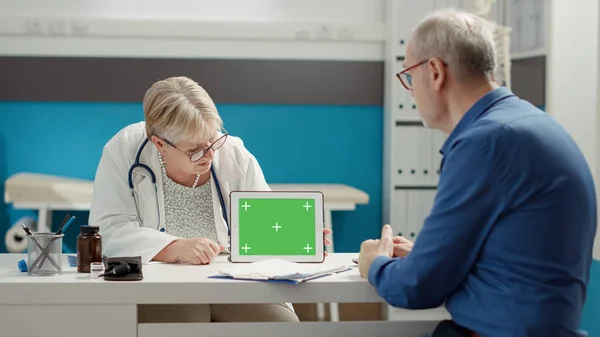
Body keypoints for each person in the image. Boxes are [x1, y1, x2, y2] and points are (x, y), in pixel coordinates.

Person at [358, 9, 596, 337]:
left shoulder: (484, 145)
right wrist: (427, 257)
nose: (410, 91)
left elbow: (415, 288)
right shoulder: (527, 123)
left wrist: (375, 264)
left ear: (435, 71)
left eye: (409, 77)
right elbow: (516, 259)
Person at [88, 76, 330, 323]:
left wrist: (292, 238)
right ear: (160, 144)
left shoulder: (234, 154)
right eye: (194, 150)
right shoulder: (124, 150)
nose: (210, 155)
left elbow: (263, 221)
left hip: (234, 279)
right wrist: (172, 248)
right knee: (189, 327)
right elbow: (108, 231)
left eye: (213, 140)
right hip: (164, 281)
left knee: (283, 327)